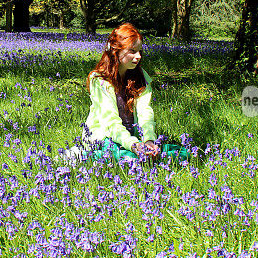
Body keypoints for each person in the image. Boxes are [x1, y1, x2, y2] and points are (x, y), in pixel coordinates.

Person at [81, 23, 189, 162]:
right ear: (116, 51)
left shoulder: (140, 76)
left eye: (140, 51)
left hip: (134, 139)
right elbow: (111, 122)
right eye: (132, 51)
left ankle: (146, 157)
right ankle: (83, 156)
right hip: (105, 137)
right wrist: (133, 145)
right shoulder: (99, 80)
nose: (138, 56)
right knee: (130, 158)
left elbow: (145, 112)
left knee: (184, 152)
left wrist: (149, 140)